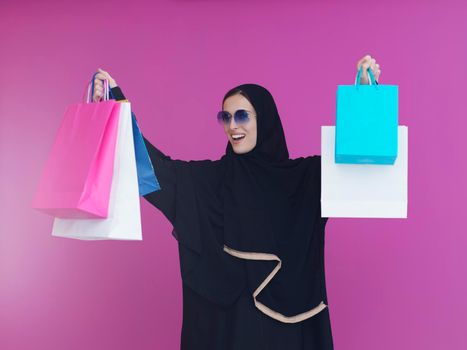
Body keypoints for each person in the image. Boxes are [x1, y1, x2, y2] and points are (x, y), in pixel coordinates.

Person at [91, 55, 381, 350]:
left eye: (242, 115)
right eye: (225, 117)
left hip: (287, 336)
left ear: (264, 119)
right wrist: (116, 109)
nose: (232, 126)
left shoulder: (303, 180)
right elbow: (156, 171)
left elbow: (355, 168)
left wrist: (366, 101)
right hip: (226, 335)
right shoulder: (207, 183)